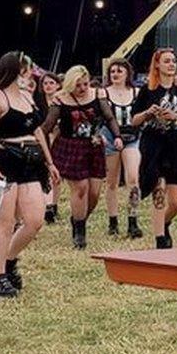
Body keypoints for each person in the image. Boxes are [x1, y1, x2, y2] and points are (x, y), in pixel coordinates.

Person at [0, 51, 60, 298]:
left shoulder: (28, 97)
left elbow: (38, 132)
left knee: (35, 220)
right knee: (5, 223)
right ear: (15, 70)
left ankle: (6, 260)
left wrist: (50, 162)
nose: (31, 72)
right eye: (27, 68)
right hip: (6, 161)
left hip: (32, 162)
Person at [42, 65, 123, 249]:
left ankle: (79, 219)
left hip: (93, 145)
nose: (83, 89)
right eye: (78, 85)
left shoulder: (98, 95)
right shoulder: (61, 100)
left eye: (85, 84)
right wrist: (37, 142)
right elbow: (47, 125)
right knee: (80, 188)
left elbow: (109, 118)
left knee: (94, 193)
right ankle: (80, 233)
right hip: (71, 146)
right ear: (71, 84)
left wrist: (117, 136)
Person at [132, 48, 177, 249]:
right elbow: (134, 120)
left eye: (173, 61)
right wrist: (148, 113)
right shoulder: (148, 90)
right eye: (167, 61)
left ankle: (164, 223)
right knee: (158, 191)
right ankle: (160, 239)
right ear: (158, 65)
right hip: (154, 145)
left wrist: (176, 117)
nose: (171, 64)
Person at [101, 58, 144, 238]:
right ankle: (113, 220)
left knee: (133, 178)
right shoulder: (103, 93)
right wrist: (101, 135)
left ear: (127, 73)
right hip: (110, 136)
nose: (116, 74)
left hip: (132, 136)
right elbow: (98, 116)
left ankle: (133, 220)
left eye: (119, 71)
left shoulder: (137, 92)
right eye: (112, 71)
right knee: (111, 182)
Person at [35, 72, 62, 223]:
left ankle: (53, 206)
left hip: (59, 140)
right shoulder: (38, 102)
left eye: (51, 83)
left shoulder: (62, 100)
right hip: (41, 140)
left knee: (57, 177)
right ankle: (46, 206)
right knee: (44, 175)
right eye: (45, 83)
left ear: (58, 85)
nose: (48, 86)